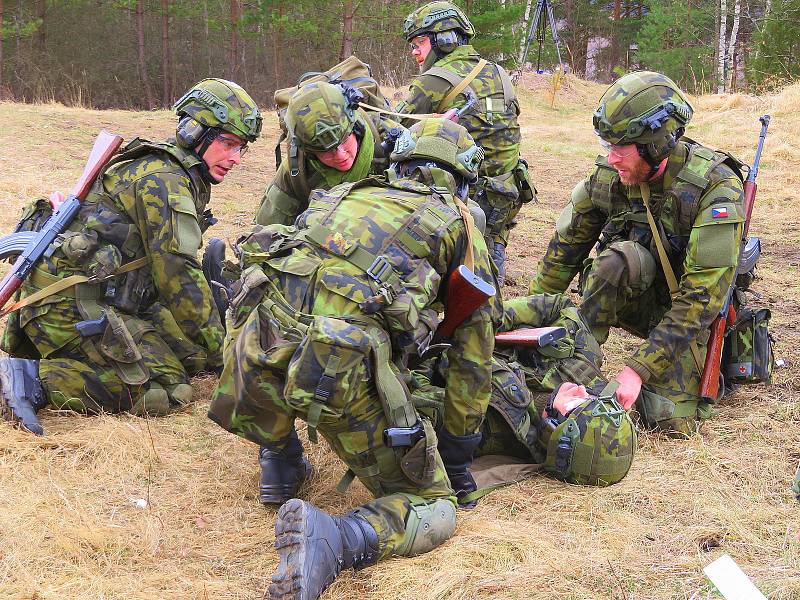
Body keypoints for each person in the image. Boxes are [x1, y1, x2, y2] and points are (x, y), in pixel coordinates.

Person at [208, 118, 500, 600]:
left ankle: (280, 463)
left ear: (400, 162)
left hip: (254, 352)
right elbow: (475, 352)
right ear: (462, 180)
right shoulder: (458, 222)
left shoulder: (342, 194)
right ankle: (337, 540)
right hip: (333, 370)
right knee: (435, 506)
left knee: (300, 314)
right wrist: (458, 448)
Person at [0, 78, 262, 435]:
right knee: (167, 390)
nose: (234, 158)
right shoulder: (164, 180)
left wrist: (214, 349)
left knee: (195, 357)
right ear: (193, 131)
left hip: (109, 298)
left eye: (241, 148)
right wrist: (228, 353)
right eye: (227, 143)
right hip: (71, 307)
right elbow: (178, 276)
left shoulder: (176, 172)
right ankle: (30, 378)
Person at [528, 71, 746, 435]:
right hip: (632, 294)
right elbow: (563, 254)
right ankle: (580, 356)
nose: (610, 158)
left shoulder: (715, 187)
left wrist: (637, 370)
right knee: (616, 260)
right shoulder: (607, 178)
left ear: (655, 145)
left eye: (619, 149)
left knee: (666, 419)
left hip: (685, 314)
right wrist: (530, 326)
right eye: (606, 147)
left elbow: (701, 298)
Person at [412, 293, 636, 491]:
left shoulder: (486, 426)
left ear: (553, 431)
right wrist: (489, 322)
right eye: (590, 398)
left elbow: (415, 391)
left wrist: (443, 342)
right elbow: (561, 306)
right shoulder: (583, 370)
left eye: (577, 404)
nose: (581, 389)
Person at [395, 1, 536, 284]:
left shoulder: (434, 80)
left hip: (464, 198)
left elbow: (396, 131)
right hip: (507, 192)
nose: (415, 52)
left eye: (419, 42)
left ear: (445, 39)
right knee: (487, 272)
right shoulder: (499, 72)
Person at [255, 81, 402, 226]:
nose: (340, 156)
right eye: (326, 152)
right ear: (309, 152)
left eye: (344, 142)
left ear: (354, 127)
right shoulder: (297, 172)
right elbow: (264, 231)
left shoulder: (391, 137)